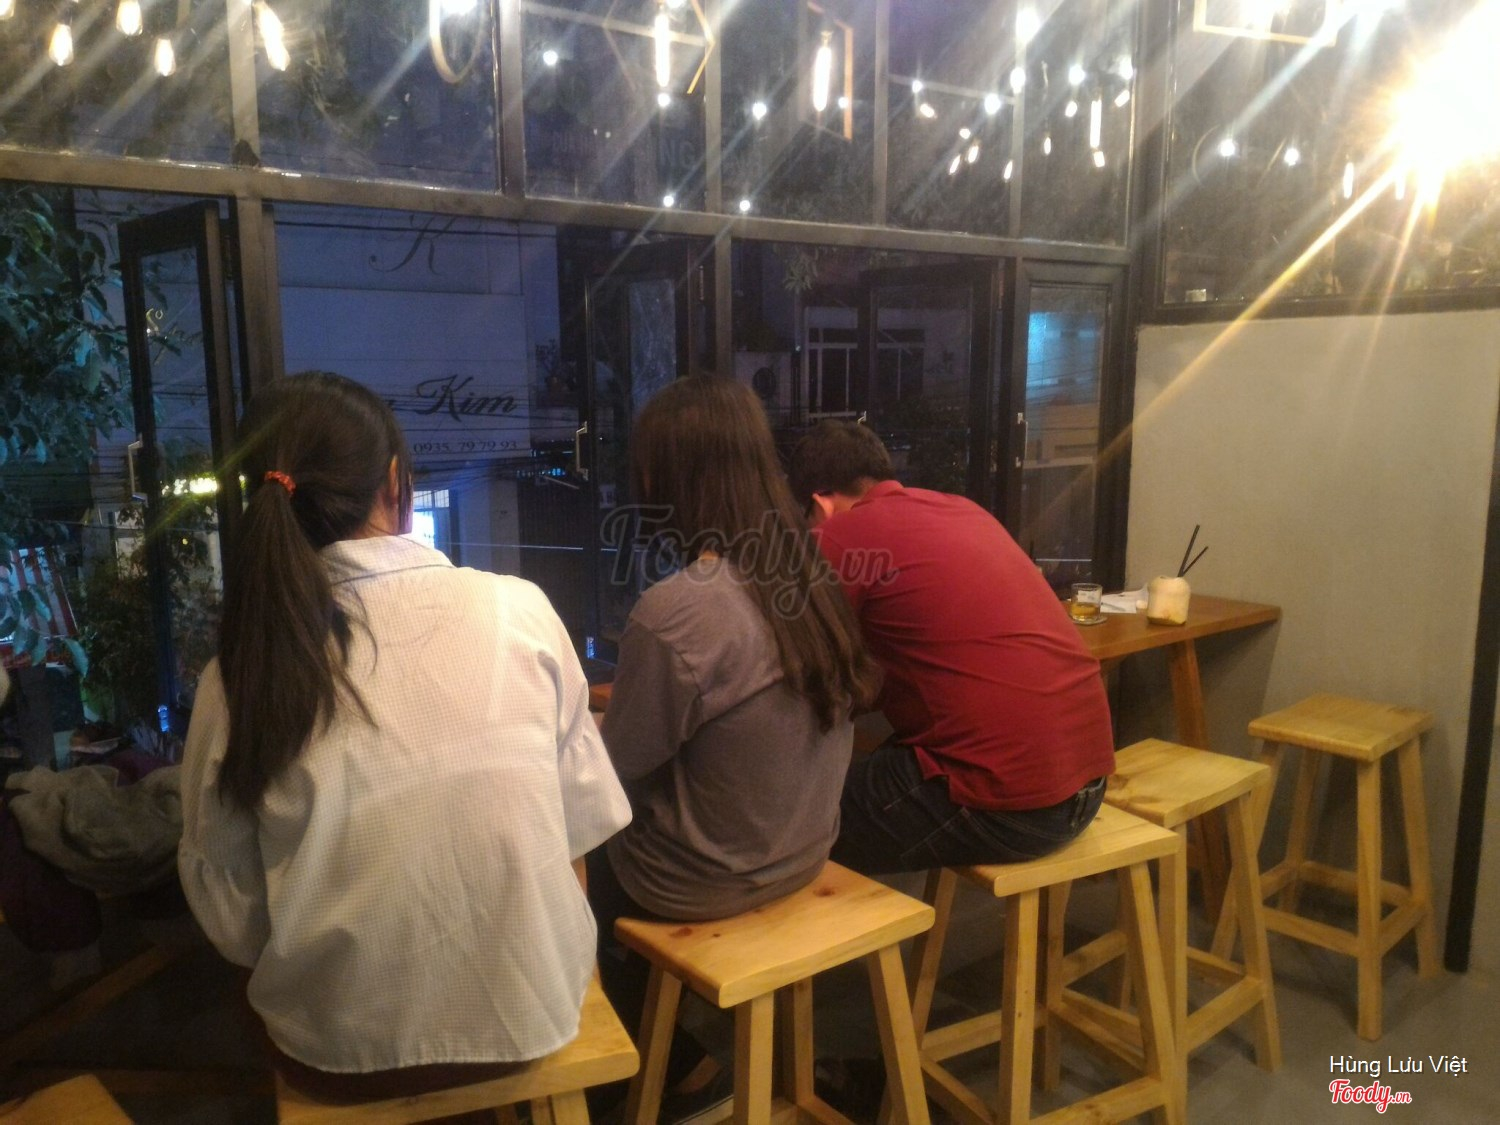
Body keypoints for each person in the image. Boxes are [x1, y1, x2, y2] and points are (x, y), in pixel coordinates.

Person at [177, 371, 630, 1100]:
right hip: (537, 1016)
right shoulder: (519, 611)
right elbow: (579, 835)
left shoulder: (235, 678)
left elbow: (234, 923)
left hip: (330, 1057)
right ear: (396, 484)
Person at [589, 376, 881, 1111]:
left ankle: (658, 1067)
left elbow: (617, 770)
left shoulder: (677, 608)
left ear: (666, 478)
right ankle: (674, 1051)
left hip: (703, 882)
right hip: (805, 850)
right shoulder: (810, 571)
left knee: (564, 876)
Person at [788, 420, 1114, 875]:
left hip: (1015, 807)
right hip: (1090, 784)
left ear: (820, 504)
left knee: (786, 825)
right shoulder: (964, 510)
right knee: (867, 773)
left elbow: (794, 661)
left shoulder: (841, 534)